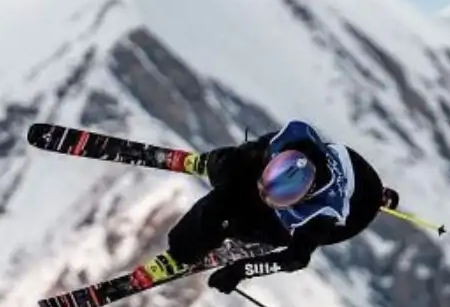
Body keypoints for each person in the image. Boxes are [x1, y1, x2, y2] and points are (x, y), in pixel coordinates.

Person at [166, 119, 399, 295]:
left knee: (242, 218)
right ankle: (190, 238)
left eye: (282, 199)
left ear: (304, 196)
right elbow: (251, 154)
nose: (266, 198)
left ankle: (195, 246)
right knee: (237, 171)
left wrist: (240, 271)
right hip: (354, 167)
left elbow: (296, 259)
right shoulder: (289, 139)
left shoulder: (322, 213)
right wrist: (225, 164)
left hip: (358, 211)